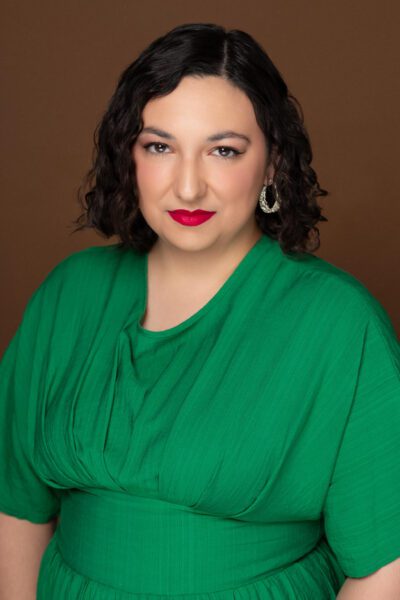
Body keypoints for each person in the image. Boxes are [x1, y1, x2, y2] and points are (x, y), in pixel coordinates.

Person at [0, 22, 399, 600]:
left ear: (270, 165)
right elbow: (15, 508)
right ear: (129, 156)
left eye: (223, 151)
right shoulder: (68, 294)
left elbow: (385, 566)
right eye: (159, 146)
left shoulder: (339, 322)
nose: (188, 187)